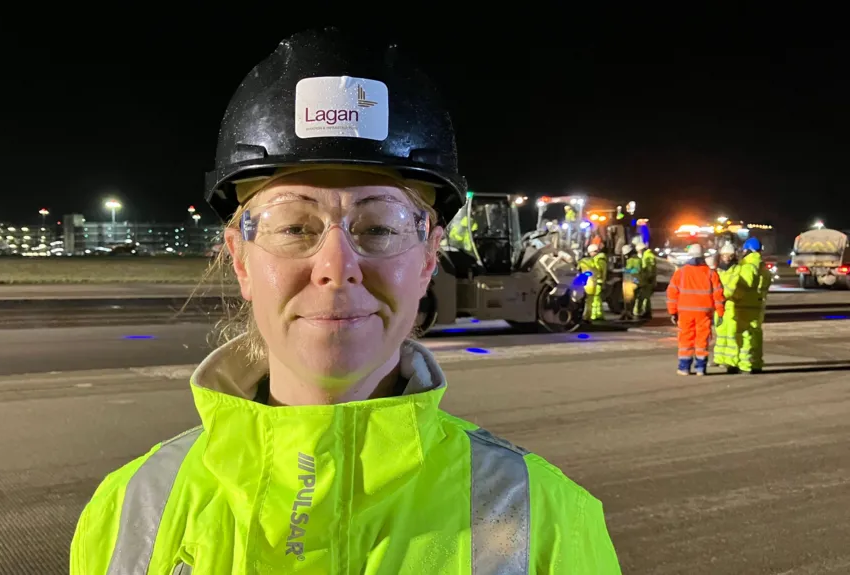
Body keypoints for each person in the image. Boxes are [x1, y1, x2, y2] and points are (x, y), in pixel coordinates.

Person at [70, 29, 621, 574]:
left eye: (379, 227)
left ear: (428, 258)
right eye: (294, 227)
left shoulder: (550, 523)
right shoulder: (125, 513)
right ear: (240, 259)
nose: (336, 268)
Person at [666, 244, 726, 376]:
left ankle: (684, 368)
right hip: (704, 312)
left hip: (685, 312)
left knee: (685, 339)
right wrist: (720, 312)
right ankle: (700, 368)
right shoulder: (711, 273)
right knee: (702, 339)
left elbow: (672, 293)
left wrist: (672, 312)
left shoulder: (680, 273)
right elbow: (718, 294)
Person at [726, 237, 771, 374]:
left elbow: (743, 286)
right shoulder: (762, 267)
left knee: (743, 336)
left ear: (748, 250)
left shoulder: (748, 266)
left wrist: (730, 297)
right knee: (755, 336)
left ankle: (743, 365)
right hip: (757, 306)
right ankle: (756, 363)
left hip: (744, 307)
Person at [711, 243, 741, 372]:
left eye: (730, 255)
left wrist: (720, 295)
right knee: (721, 334)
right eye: (724, 255)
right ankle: (719, 358)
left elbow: (732, 288)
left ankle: (731, 361)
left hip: (732, 306)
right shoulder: (717, 270)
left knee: (731, 335)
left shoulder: (737, 269)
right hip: (719, 306)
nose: (727, 258)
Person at [578, 243, 606, 321]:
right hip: (595, 281)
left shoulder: (597, 260)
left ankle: (593, 315)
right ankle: (595, 315)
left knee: (593, 300)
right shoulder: (597, 260)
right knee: (595, 299)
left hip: (595, 281)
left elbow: (599, 271)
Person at [633, 238, 656, 319]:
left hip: (647, 280)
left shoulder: (647, 256)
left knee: (644, 297)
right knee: (646, 297)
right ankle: (646, 312)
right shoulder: (647, 255)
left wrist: (648, 278)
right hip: (647, 280)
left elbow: (649, 269)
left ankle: (645, 312)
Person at [621, 244, 641, 320]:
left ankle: (630, 313)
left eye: (626, 254)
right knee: (628, 299)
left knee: (631, 299)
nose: (625, 256)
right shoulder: (631, 260)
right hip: (629, 281)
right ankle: (628, 312)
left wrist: (626, 270)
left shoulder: (635, 260)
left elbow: (636, 270)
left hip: (633, 281)